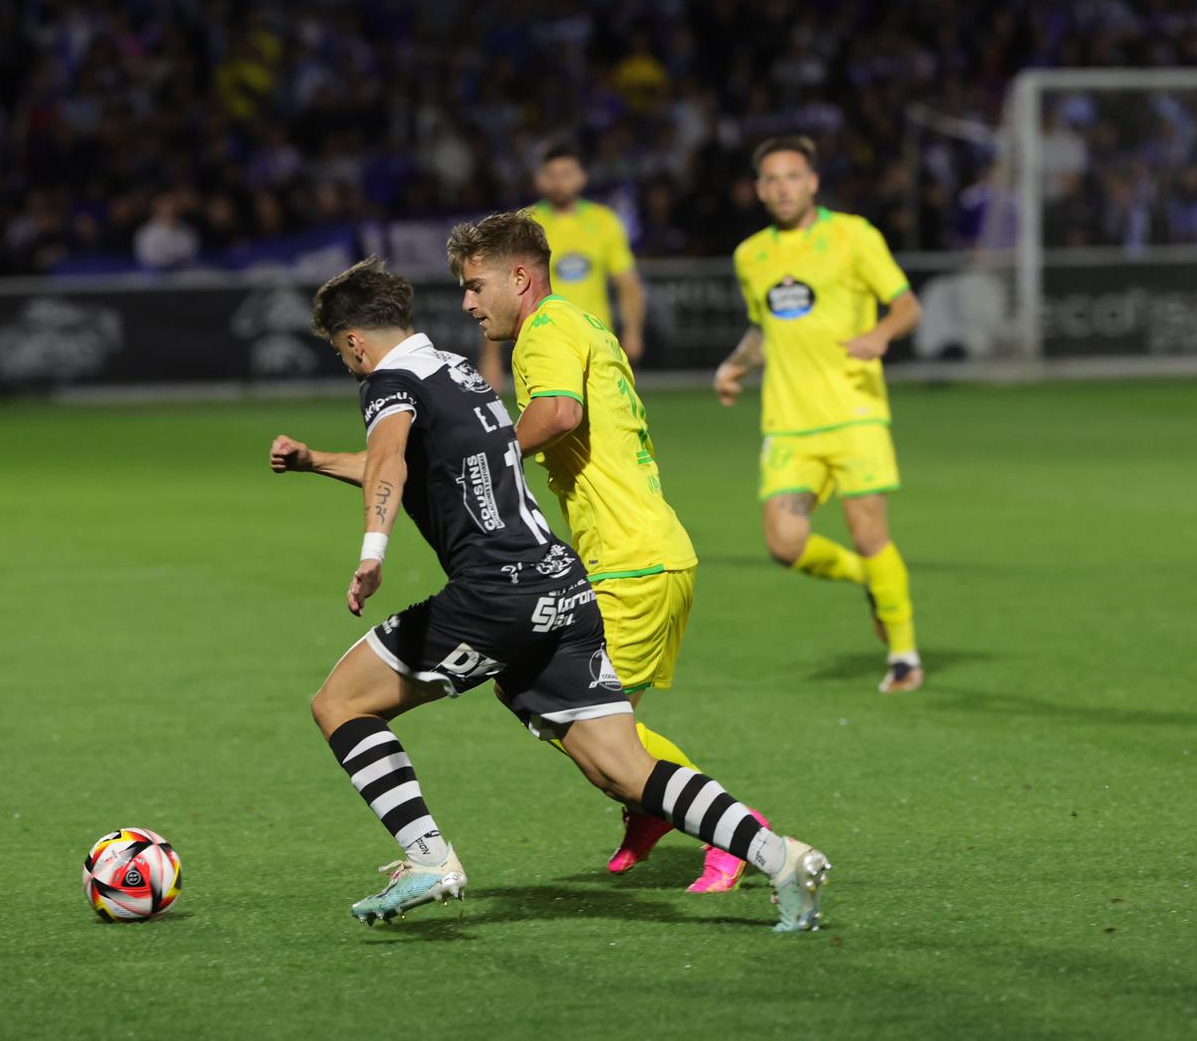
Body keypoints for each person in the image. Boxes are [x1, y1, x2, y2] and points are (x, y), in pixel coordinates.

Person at [274, 256, 831, 931]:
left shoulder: (387, 382)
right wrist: (314, 462)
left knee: (340, 703)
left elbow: (390, 458)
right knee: (623, 769)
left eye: (341, 354)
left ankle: (428, 858)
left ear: (354, 343)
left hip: (493, 594)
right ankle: (783, 857)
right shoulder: (455, 372)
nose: (349, 364)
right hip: (560, 587)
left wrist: (372, 551)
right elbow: (410, 460)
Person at [450, 209, 762, 893]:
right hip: (638, 552)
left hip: (634, 562)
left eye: (476, 286)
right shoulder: (584, 324)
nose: (468, 303)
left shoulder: (545, 332)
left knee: (586, 726)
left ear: (521, 277)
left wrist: (484, 461)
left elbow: (559, 413)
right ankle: (648, 809)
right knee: (527, 687)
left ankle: (739, 833)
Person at [713, 135, 925, 694]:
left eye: (793, 177)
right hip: (787, 421)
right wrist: (735, 367)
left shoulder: (853, 235)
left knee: (867, 531)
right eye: (772, 180)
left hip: (855, 411)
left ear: (813, 182)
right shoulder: (751, 255)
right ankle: (873, 583)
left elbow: (906, 305)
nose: (783, 188)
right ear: (760, 191)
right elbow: (764, 330)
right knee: (784, 544)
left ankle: (904, 656)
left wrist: (880, 334)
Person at [478, 140, 646, 391]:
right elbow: (502, 290)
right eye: (551, 175)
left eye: (566, 174)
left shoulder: (604, 222)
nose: (559, 182)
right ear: (539, 180)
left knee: (605, 426)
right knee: (550, 423)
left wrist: (633, 331)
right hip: (542, 344)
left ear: (582, 178)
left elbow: (628, 285)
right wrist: (490, 356)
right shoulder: (526, 225)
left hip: (595, 345)